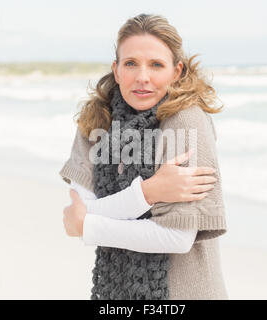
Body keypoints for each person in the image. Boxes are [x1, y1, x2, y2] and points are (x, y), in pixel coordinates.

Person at [60, 13, 228, 300]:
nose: (142, 77)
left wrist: (88, 224)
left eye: (156, 65)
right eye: (131, 63)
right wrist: (148, 193)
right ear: (116, 70)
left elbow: (177, 237)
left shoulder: (186, 121)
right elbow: (79, 211)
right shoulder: (95, 122)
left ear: (176, 71)